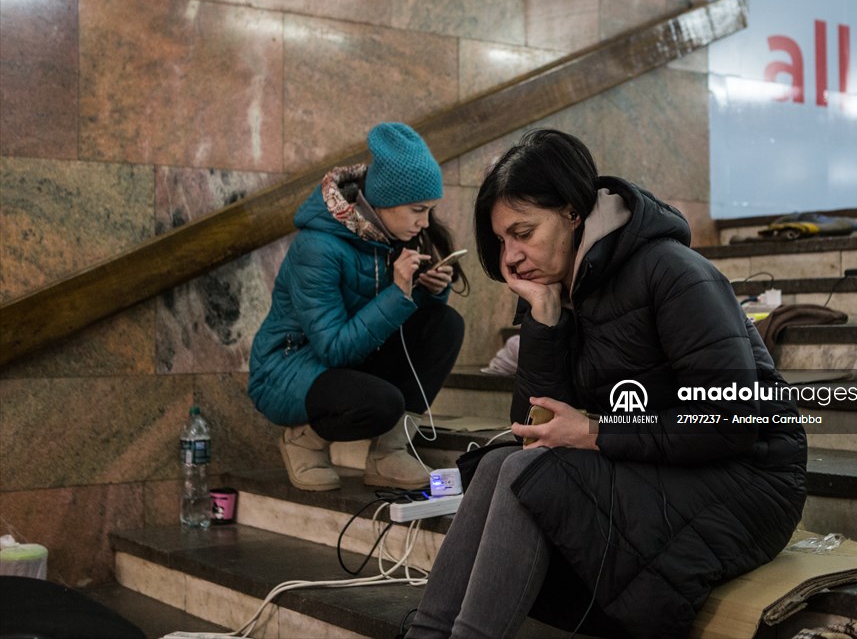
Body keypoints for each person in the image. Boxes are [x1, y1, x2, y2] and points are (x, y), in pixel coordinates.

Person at [405, 129, 807, 638]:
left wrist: (596, 432)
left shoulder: (673, 271)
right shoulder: (563, 291)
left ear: (573, 213)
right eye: (502, 241)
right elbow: (535, 427)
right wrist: (545, 321)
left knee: (528, 472)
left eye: (523, 233)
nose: (510, 258)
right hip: (655, 464)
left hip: (749, 479)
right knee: (496, 465)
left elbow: (732, 421)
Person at [248, 123, 466, 491]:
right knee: (381, 403)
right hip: (288, 368)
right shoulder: (317, 248)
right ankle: (304, 440)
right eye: (417, 209)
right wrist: (398, 293)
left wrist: (426, 292)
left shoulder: (391, 235)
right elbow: (334, 348)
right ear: (384, 199)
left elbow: (383, 326)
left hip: (353, 357)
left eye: (430, 210)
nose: (425, 222)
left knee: (443, 323)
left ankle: (390, 451)